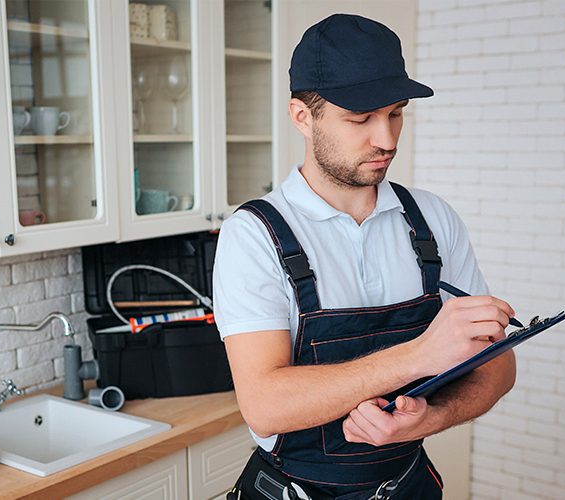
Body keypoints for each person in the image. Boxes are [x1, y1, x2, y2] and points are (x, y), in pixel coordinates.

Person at [213, 13, 517, 500]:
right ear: (301, 117)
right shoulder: (253, 235)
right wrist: (420, 355)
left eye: (395, 113)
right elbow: (265, 405)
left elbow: (497, 367)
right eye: (361, 119)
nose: (387, 139)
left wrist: (431, 418)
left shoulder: (432, 220)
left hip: (409, 485)